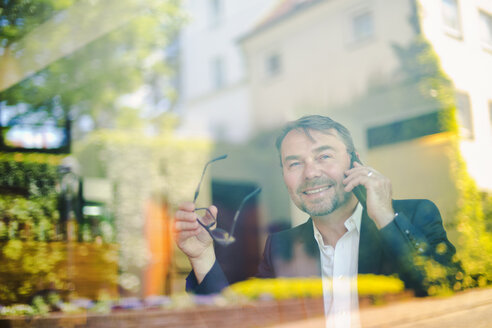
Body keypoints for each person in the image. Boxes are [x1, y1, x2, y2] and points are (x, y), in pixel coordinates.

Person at [174, 115, 462, 323]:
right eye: (295, 163)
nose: (310, 173)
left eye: (324, 156)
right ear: (284, 175)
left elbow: (446, 293)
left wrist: (386, 217)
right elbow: (242, 321)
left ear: (355, 162)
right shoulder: (280, 247)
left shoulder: (413, 216)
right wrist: (202, 256)